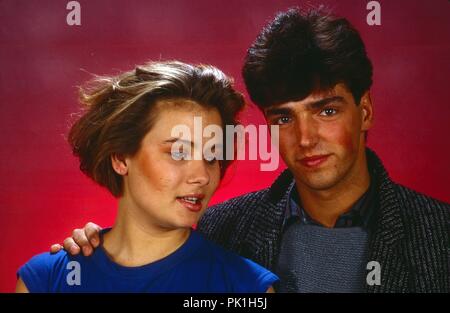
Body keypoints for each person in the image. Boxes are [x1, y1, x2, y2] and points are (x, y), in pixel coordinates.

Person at [51, 8, 450, 292]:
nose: (306, 138)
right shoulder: (220, 229)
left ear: (364, 111)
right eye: (283, 118)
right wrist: (92, 259)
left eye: (326, 110)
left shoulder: (439, 235)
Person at [16, 61, 278, 293]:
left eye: (212, 157)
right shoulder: (46, 280)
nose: (202, 176)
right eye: (178, 152)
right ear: (120, 158)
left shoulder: (245, 287)